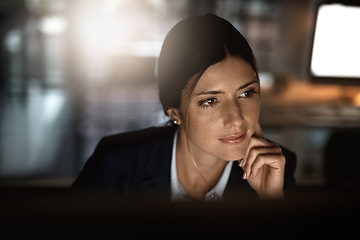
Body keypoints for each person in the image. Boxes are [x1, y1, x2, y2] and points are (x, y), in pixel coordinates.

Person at [71, 13, 296, 202]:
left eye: (246, 93)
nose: (236, 119)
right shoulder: (117, 164)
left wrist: (271, 203)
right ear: (174, 112)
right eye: (210, 101)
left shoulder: (275, 166)